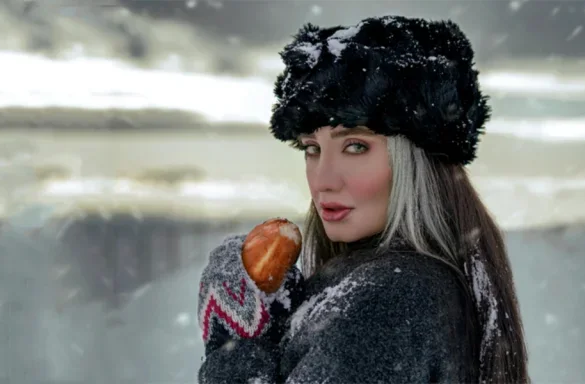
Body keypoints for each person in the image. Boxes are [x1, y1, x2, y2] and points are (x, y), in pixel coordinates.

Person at [197, 15, 530, 383]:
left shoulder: (390, 295)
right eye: (311, 148)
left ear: (415, 162)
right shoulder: (422, 286)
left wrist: (237, 344)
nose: (323, 181)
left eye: (355, 146)